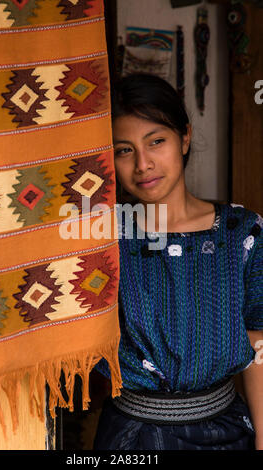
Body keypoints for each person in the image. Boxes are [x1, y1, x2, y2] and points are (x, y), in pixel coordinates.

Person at [93, 73, 263, 451]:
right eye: (124, 150)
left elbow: (258, 342)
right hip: (131, 438)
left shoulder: (241, 232)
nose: (143, 163)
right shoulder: (103, 239)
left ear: (184, 137)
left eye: (157, 141)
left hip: (227, 434)